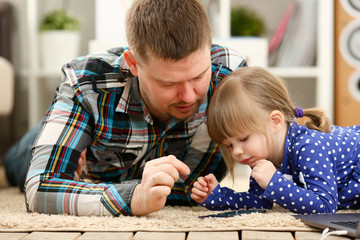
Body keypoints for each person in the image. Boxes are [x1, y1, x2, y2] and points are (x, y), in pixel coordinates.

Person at [7, 0, 248, 216]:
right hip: (45, 143)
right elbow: (40, 189)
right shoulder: (87, 84)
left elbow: (281, 139)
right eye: (168, 83)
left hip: (103, 181)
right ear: (133, 64)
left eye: (199, 76)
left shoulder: (232, 76)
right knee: (19, 160)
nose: (188, 95)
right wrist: (134, 197)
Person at [191, 66, 360, 214]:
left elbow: (324, 207)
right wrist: (217, 196)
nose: (236, 152)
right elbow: (260, 202)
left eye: (243, 138)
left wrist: (274, 182)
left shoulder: (308, 147)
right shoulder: (261, 158)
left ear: (275, 122)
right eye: (229, 145)